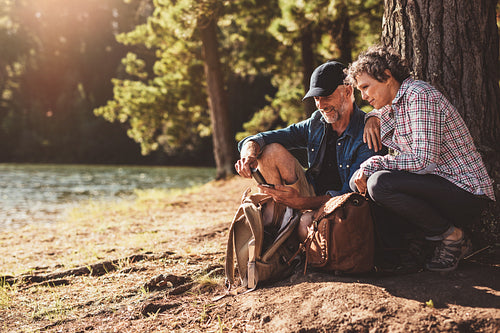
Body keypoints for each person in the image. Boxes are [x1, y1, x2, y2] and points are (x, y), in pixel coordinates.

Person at [345, 45, 495, 272]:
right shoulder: (392, 105)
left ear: (387, 77)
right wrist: (371, 117)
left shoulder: (419, 96)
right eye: (360, 91)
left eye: (366, 87)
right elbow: (378, 114)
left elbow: (424, 161)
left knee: (379, 183)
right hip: (434, 187)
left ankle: (454, 237)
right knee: (359, 183)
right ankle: (408, 247)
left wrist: (374, 164)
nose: (364, 96)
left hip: (465, 192)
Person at [235, 61, 376, 240]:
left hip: (340, 207)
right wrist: (248, 153)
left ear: (347, 91)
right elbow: (265, 138)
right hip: (309, 193)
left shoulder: (368, 131)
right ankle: (279, 220)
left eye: (325, 96)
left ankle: (285, 227)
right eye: (316, 98)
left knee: (306, 226)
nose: (320, 104)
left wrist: (301, 203)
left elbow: (350, 194)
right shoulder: (317, 121)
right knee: (270, 151)